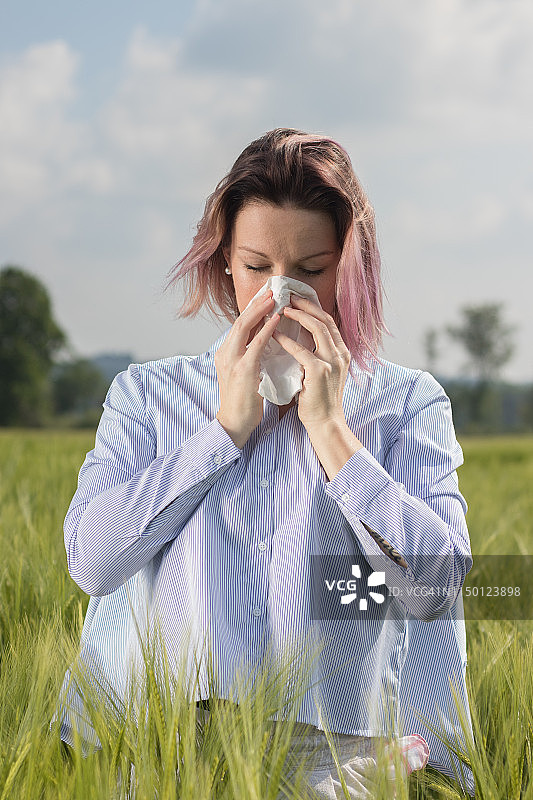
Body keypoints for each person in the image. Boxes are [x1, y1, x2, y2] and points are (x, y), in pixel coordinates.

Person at [55, 128, 475, 797]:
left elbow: (434, 588)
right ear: (223, 259)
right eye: (256, 267)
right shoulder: (148, 396)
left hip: (347, 770)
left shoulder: (405, 404)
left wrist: (334, 434)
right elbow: (94, 563)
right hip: (174, 763)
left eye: (311, 270)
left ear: (350, 266)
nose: (280, 296)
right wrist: (221, 432)